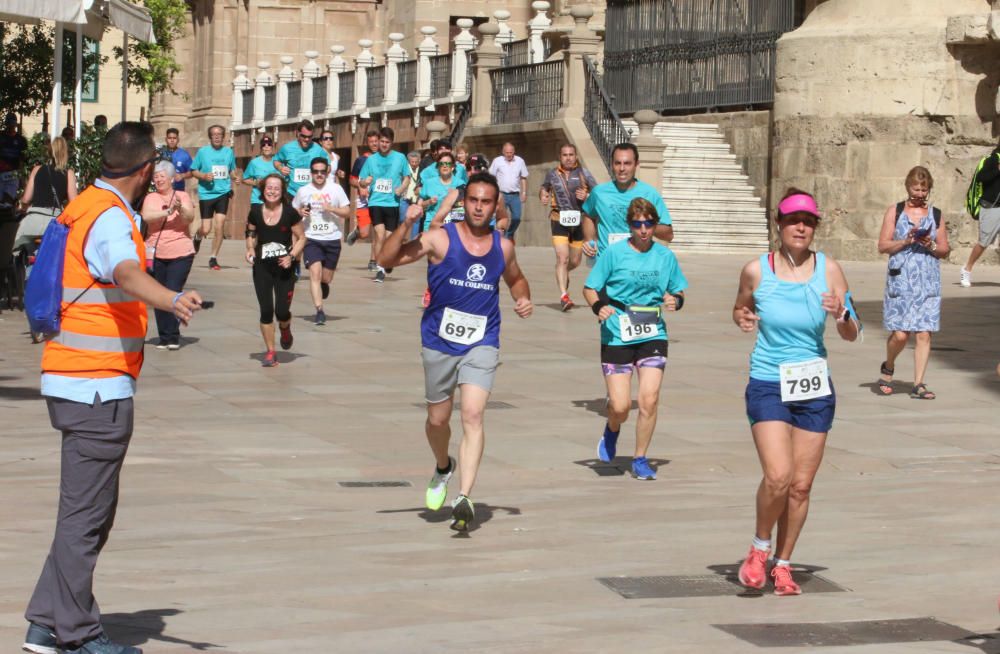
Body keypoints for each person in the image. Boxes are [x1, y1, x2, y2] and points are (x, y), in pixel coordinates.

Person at [22, 121, 204, 654]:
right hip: (94, 387)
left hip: (76, 381)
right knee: (86, 518)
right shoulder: (109, 219)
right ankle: (76, 634)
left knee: (86, 514)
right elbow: (126, 273)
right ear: (147, 169)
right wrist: (171, 300)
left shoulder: (84, 205)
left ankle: (44, 621)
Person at [377, 172, 532, 531]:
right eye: (473, 200)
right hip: (439, 342)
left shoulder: (503, 246)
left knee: (473, 416)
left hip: (482, 341)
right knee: (438, 421)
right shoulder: (439, 239)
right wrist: (407, 223)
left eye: (486, 202)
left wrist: (523, 298)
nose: (479, 207)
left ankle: (464, 496)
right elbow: (386, 260)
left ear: (496, 206)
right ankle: (443, 467)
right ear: (464, 202)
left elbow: (516, 278)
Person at [732, 189, 859, 596]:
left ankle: (783, 564)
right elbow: (740, 306)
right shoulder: (757, 270)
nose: (800, 227)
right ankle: (758, 547)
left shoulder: (830, 269)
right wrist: (743, 316)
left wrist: (840, 313)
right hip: (769, 380)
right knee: (778, 476)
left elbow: (852, 331)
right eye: (792, 220)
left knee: (801, 485)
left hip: (814, 385)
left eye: (808, 221)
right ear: (779, 225)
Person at [584, 198, 686, 480]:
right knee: (619, 406)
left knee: (649, 399)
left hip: (652, 331)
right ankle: (613, 428)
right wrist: (598, 306)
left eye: (648, 224)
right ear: (629, 226)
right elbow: (590, 288)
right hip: (617, 330)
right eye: (637, 224)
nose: (643, 229)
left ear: (655, 225)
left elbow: (678, 292)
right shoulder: (614, 254)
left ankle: (641, 457)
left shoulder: (665, 257)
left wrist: (675, 300)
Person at [876, 166, 950, 399]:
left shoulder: (936, 214)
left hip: (927, 281)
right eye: (915, 188)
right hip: (901, 280)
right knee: (900, 334)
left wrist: (932, 245)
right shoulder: (895, 211)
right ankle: (888, 366)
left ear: (929, 190)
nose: (919, 193)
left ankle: (918, 383)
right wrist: (905, 240)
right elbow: (882, 246)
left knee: (924, 334)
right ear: (908, 187)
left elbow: (945, 250)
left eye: (923, 189)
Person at [246, 174, 305, 367]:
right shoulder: (255, 211)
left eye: (276, 188)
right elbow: (251, 233)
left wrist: (291, 256)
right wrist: (249, 249)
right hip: (262, 267)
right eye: (269, 188)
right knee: (266, 311)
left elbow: (302, 238)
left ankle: (285, 327)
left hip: (284, 268)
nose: (272, 191)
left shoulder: (290, 213)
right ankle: (271, 352)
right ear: (263, 190)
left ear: (282, 192)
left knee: (281, 311)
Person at [582, 142, 673, 259]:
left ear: (636, 165)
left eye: (627, 163)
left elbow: (668, 234)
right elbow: (588, 214)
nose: (622, 168)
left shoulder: (649, 194)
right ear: (612, 165)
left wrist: (646, 224)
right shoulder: (599, 192)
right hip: (606, 261)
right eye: (617, 163)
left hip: (638, 261)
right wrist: (588, 240)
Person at [142, 160, 197, 350]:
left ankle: (173, 335)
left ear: (172, 179)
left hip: (180, 252)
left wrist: (180, 208)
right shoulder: (150, 198)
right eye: (156, 177)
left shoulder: (182, 195)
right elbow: (147, 217)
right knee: (159, 295)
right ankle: (164, 336)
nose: (158, 180)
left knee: (173, 290)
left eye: (162, 176)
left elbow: (189, 218)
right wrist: (167, 212)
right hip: (155, 252)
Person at [291, 157, 351, 325]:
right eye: (315, 172)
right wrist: (300, 212)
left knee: (326, 278)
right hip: (311, 238)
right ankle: (319, 310)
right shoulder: (303, 190)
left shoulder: (336, 189)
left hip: (332, 238)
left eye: (322, 172)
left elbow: (347, 212)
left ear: (327, 172)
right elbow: (293, 209)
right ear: (311, 173)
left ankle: (324, 284)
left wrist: (331, 208)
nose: (319, 175)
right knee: (314, 274)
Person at [541, 143, 597, 311]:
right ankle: (564, 296)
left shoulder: (584, 173)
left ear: (576, 156)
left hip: (579, 221)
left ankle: (563, 272)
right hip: (558, 219)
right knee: (562, 258)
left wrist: (587, 195)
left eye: (571, 154)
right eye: (565, 155)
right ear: (560, 156)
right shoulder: (552, 174)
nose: (568, 158)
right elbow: (544, 188)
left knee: (574, 261)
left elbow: (599, 193)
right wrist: (543, 195)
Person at [359, 126, 410, 283]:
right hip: (376, 202)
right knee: (380, 235)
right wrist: (365, 182)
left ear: (392, 143)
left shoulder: (400, 158)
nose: (384, 144)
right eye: (382, 141)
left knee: (389, 237)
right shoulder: (371, 159)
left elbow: (407, 177)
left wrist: (401, 188)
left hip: (392, 203)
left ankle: (387, 260)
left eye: (387, 142)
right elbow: (361, 180)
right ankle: (380, 268)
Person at [15, 136, 77, 249]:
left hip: (33, 221)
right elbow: (74, 204)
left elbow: (26, 199)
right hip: (55, 223)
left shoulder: (36, 170)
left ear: (49, 152)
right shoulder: (69, 173)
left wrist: (22, 208)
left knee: (17, 250)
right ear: (66, 153)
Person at [190, 124, 238, 270]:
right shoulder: (203, 152)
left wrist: (235, 177)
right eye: (214, 134)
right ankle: (198, 237)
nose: (217, 137)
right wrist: (203, 176)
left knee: (220, 224)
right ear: (210, 137)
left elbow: (232, 170)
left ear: (223, 137)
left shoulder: (228, 152)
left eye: (220, 134)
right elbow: (193, 170)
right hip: (206, 193)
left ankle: (213, 257)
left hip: (223, 192)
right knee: (206, 228)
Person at [961, 142, 1000, 287]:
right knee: (984, 242)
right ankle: (967, 268)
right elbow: (981, 178)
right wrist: (998, 170)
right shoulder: (993, 158)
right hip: (991, 206)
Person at [345, 130, 379, 269]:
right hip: (364, 201)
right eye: (371, 142)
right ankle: (358, 232)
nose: (374, 144)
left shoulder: (386, 159)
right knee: (365, 233)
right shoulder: (361, 160)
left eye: (376, 141)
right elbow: (351, 180)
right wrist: (360, 186)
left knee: (377, 232)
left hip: (379, 200)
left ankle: (373, 261)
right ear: (367, 143)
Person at [274, 120, 328, 200]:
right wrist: (280, 168)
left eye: (310, 137)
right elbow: (276, 161)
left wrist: (320, 174)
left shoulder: (318, 149)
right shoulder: (287, 148)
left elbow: (328, 166)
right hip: (292, 193)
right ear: (297, 133)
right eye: (304, 136)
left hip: (313, 194)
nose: (307, 139)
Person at [489, 142, 528, 240]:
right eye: (507, 152)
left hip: (515, 195)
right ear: (503, 152)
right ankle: (502, 238)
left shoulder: (520, 161)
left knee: (516, 218)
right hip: (501, 195)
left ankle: (509, 234)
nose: (509, 154)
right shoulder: (497, 161)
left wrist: (524, 192)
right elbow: (491, 176)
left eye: (511, 152)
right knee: (500, 218)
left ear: (514, 151)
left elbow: (523, 177)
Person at [420, 151, 465, 232]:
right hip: (431, 226)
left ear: (452, 167)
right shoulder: (429, 183)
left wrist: (455, 200)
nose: (445, 166)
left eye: (448, 164)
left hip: (453, 226)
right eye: (442, 164)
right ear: (438, 167)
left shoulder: (460, 184)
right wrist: (429, 202)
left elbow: (461, 210)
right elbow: (420, 205)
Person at [0, 112, 27, 209]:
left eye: (12, 124)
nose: (10, 126)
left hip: (14, 173)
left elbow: (23, 159)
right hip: (1, 172)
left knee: (8, 200)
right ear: (6, 124)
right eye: (9, 124)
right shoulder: (1, 136)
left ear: (16, 124)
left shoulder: (21, 140)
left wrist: (22, 178)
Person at [241, 135, 276, 207]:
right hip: (258, 201)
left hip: (274, 201)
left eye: (269, 144)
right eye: (264, 145)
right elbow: (244, 179)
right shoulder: (254, 163)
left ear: (272, 147)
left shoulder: (278, 162)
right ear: (261, 148)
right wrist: (255, 183)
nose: (266, 147)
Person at [163, 127, 193, 192]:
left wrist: (182, 175)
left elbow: (192, 172)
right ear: (166, 139)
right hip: (161, 191)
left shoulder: (184, 155)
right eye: (169, 138)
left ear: (178, 139)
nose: (172, 140)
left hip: (178, 191)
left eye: (174, 138)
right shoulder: (160, 153)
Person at [403, 151, 422, 239]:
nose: (414, 164)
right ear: (408, 162)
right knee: (403, 219)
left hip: (417, 199)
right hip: (405, 198)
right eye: (412, 162)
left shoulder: (422, 171)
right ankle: (403, 239)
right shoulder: (404, 170)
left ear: (419, 161)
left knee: (416, 220)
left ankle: (413, 240)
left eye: (416, 162)